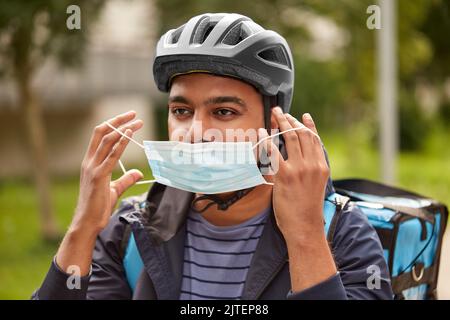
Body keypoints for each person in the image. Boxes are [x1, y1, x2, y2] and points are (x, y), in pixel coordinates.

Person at [32, 13, 393, 300]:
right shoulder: (128, 232)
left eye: (223, 112)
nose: (194, 133)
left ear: (273, 124)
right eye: (181, 111)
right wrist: (82, 229)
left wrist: (305, 234)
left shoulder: (341, 231)